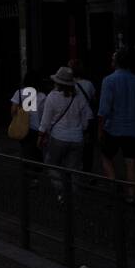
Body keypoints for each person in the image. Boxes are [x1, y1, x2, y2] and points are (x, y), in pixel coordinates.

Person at [98, 48, 135, 198]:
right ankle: (131, 195)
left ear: (117, 62)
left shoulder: (109, 80)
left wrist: (99, 130)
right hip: (133, 128)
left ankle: (113, 187)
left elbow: (104, 109)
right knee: (130, 162)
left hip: (113, 127)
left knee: (106, 157)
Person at [38, 66, 93, 198]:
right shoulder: (79, 97)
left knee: (51, 164)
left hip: (58, 137)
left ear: (57, 82)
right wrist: (82, 129)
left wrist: (41, 135)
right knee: (73, 169)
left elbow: (45, 121)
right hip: (77, 138)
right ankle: (73, 196)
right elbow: (88, 116)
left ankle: (61, 190)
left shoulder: (52, 97)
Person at [9, 71, 45, 164]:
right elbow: (43, 114)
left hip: (23, 127)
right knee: (36, 152)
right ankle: (36, 174)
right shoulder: (42, 96)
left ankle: (27, 173)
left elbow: (13, 110)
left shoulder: (19, 93)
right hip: (37, 128)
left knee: (25, 151)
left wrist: (17, 118)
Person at [69, 59, 98, 173]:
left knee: (75, 147)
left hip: (74, 118)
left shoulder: (68, 85)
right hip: (88, 118)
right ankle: (87, 171)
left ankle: (75, 170)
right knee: (88, 147)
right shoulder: (89, 84)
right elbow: (94, 99)